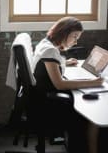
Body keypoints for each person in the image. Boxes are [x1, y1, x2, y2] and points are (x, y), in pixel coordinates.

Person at [31, 16, 103, 153]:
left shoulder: (46, 43)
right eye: (75, 37)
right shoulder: (50, 51)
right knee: (91, 115)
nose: (75, 42)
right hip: (46, 104)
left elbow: (49, 66)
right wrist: (92, 83)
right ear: (64, 32)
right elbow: (60, 85)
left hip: (41, 98)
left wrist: (63, 62)